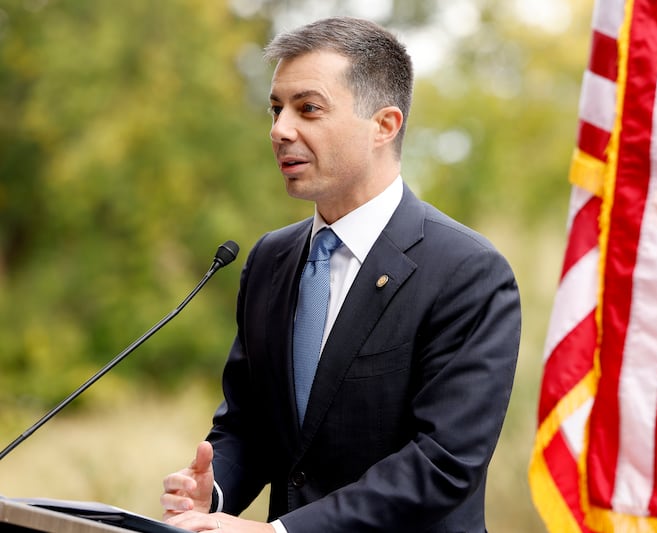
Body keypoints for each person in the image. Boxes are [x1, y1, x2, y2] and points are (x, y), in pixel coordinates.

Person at [160, 16, 521, 533]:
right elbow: (249, 425)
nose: (280, 129)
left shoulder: (469, 273)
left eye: (308, 108)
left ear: (385, 125)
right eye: (276, 108)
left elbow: (441, 464)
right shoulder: (268, 260)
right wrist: (212, 490)